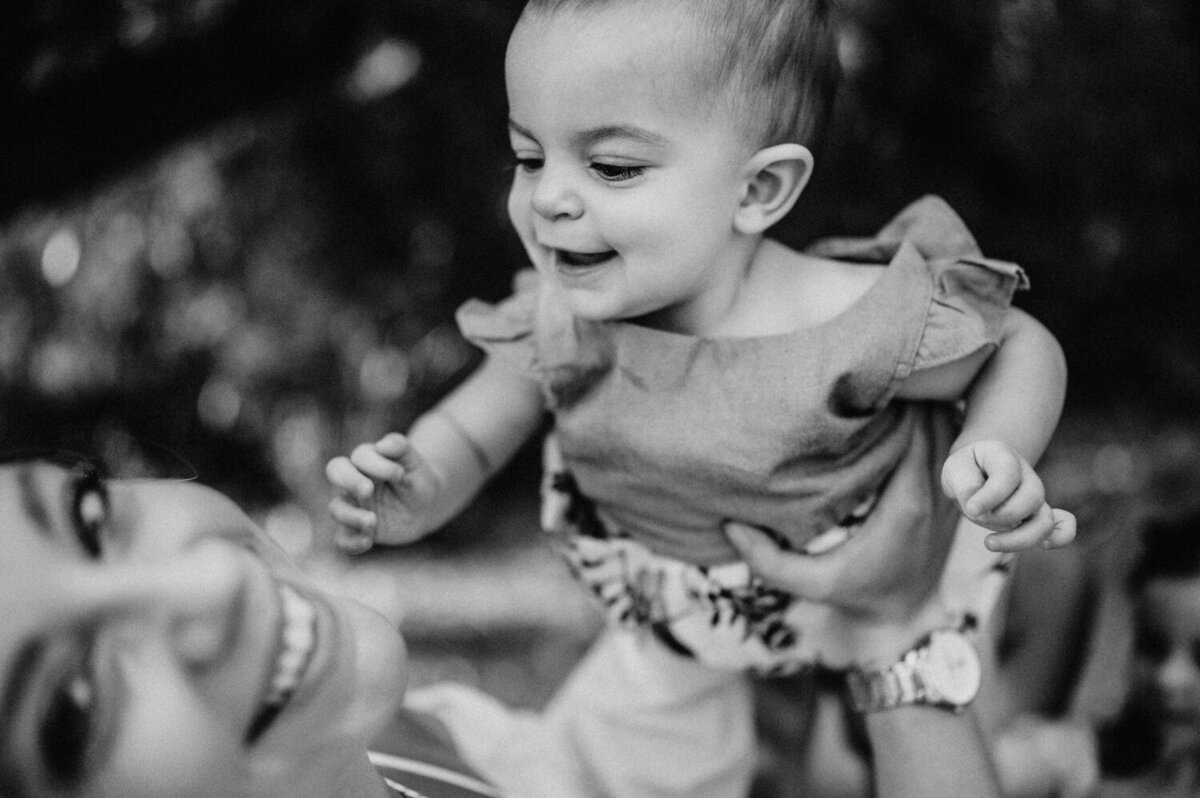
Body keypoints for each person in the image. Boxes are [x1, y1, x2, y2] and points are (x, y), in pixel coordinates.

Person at [327, 0, 1075, 794]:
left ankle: (1051, 761)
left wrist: (993, 449)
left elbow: (1020, 344)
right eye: (529, 156)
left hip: (887, 579)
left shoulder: (842, 323)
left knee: (914, 761)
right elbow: (474, 435)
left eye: (611, 167)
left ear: (759, 190)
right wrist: (422, 489)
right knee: (618, 771)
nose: (549, 198)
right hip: (681, 619)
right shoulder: (562, 322)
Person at [0, 451, 1013, 798]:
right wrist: (896, 641)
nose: (205, 591)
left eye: (92, 518)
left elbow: (583, 774)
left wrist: (702, 566)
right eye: (75, 700)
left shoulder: (393, 747)